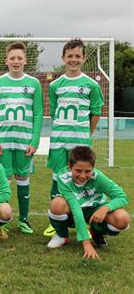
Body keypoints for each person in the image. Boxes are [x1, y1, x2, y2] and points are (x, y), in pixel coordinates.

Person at [44, 39, 104, 236]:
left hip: (80, 141)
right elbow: (54, 113)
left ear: (84, 58)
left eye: (77, 56)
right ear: (63, 58)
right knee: (57, 178)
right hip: (59, 141)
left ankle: (85, 216)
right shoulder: (55, 85)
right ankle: (55, 222)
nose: (73, 59)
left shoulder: (91, 85)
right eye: (70, 56)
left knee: (83, 179)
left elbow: (95, 112)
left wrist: (87, 133)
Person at [0, 42, 43, 234]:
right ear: (6, 61)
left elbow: (37, 114)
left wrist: (35, 142)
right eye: (12, 58)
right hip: (2, 142)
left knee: (23, 177)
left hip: (24, 142)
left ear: (25, 60)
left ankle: (24, 220)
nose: (16, 61)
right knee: (3, 180)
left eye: (19, 58)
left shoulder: (34, 84)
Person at [46, 146, 130, 259]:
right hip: (74, 211)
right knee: (57, 204)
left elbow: (122, 196)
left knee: (122, 219)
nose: (83, 176)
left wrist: (105, 209)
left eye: (88, 171)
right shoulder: (63, 178)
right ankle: (62, 235)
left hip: (95, 209)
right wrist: (86, 243)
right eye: (78, 171)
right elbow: (75, 208)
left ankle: (96, 231)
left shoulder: (98, 177)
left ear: (93, 168)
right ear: (70, 166)